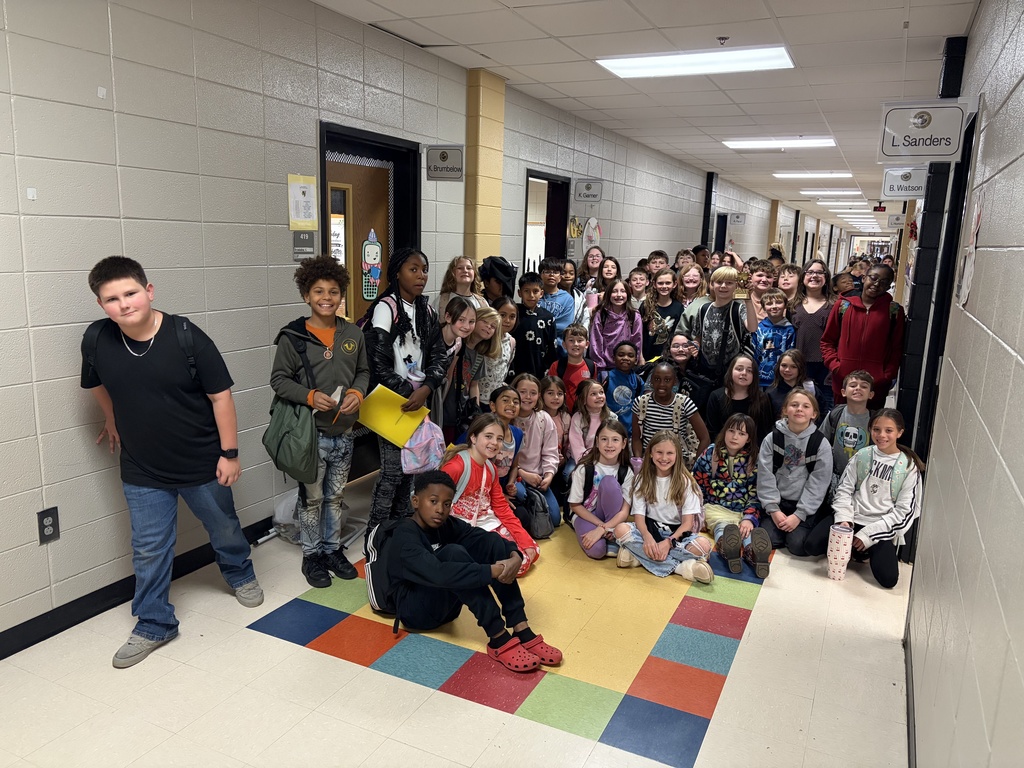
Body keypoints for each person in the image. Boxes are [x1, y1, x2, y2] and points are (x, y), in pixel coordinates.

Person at [82, 256, 263, 669]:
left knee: (224, 527)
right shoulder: (96, 339)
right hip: (142, 467)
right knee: (148, 548)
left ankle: (239, 572)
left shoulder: (187, 336)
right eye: (112, 299)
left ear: (149, 291)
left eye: (130, 293)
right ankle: (154, 622)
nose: (123, 304)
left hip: (202, 461)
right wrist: (111, 418)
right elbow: (95, 384)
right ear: (101, 305)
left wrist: (230, 454)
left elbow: (221, 398)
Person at [384, 471, 561, 672]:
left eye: (446, 503)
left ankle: (520, 627)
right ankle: (497, 636)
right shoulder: (404, 537)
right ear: (416, 501)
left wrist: (513, 555)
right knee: (453, 554)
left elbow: (480, 538)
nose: (440, 509)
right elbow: (439, 573)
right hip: (415, 613)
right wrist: (492, 571)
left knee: (490, 544)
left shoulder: (445, 524)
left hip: (445, 608)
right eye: (433, 501)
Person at [270, 256, 369, 588]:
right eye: (318, 291)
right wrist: (310, 396)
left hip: (344, 434)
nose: (326, 297)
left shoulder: (353, 334)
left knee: (336, 497)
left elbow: (364, 371)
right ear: (306, 295)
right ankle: (311, 556)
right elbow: (279, 380)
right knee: (311, 499)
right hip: (310, 437)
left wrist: (358, 390)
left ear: (342, 295)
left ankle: (331, 549)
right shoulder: (293, 338)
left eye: (333, 291)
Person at [363, 247, 450, 537]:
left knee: (411, 472)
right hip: (391, 401)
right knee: (391, 472)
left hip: (418, 399)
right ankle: (375, 535)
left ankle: (402, 529)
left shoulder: (426, 310)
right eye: (413, 269)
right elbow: (376, 358)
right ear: (397, 273)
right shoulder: (386, 307)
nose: (421, 275)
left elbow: (440, 354)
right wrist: (405, 391)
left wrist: (425, 389)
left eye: (424, 269)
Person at [805, 409, 923, 588]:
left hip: (880, 526)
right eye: (876, 429)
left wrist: (868, 535)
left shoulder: (907, 467)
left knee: (888, 579)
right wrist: (844, 520)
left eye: (889, 430)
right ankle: (853, 548)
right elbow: (844, 490)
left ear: (900, 433)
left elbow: (904, 513)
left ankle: (861, 550)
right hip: (853, 518)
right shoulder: (863, 455)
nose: (881, 435)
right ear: (870, 430)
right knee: (811, 546)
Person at [441, 414, 539, 576]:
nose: (494, 443)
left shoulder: (491, 468)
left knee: (532, 551)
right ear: (473, 437)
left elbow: (501, 507)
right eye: (488, 436)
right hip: (461, 529)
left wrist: (524, 539)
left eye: (499, 439)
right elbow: (436, 505)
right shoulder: (456, 467)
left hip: (487, 522)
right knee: (518, 563)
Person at [613, 431, 714, 583]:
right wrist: (647, 539)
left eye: (669, 453)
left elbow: (688, 524)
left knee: (703, 546)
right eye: (659, 452)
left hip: (677, 536)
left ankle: (639, 558)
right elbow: (639, 518)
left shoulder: (686, 482)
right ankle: (683, 568)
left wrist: (668, 543)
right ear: (651, 454)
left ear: (677, 455)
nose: (664, 458)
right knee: (620, 530)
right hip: (649, 530)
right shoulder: (642, 478)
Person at [693, 414, 772, 578]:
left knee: (746, 532)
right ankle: (730, 551)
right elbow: (696, 486)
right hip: (715, 508)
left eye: (741, 434)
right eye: (731, 431)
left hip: (742, 510)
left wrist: (749, 517)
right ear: (725, 432)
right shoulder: (711, 453)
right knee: (722, 527)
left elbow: (756, 494)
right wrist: (697, 513)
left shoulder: (753, 460)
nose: (735, 437)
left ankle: (755, 555)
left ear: (749, 439)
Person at [756, 388, 832, 555]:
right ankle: (780, 529)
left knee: (797, 545)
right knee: (768, 539)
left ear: (814, 414)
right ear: (785, 410)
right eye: (794, 405)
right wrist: (774, 510)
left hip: (804, 504)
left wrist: (799, 515)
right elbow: (765, 476)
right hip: (778, 502)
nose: (799, 409)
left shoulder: (820, 443)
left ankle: (795, 530)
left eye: (806, 406)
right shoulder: (772, 438)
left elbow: (819, 483)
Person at [820, 265, 905, 410]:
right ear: (864, 278)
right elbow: (827, 341)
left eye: (884, 282)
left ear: (889, 286)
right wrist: (836, 367)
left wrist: (885, 375)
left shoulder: (894, 311)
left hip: (875, 386)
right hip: (843, 382)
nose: (877, 284)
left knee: (871, 427)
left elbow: (897, 348)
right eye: (874, 278)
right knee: (840, 425)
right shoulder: (843, 306)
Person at [568, 419, 634, 559]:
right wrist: (601, 526)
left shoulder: (626, 471)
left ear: (623, 444)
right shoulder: (584, 468)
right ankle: (609, 537)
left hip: (613, 518)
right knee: (597, 551)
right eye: (604, 439)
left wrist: (604, 528)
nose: (609, 445)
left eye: (615, 440)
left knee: (609, 483)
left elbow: (624, 511)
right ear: (597, 442)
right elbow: (575, 505)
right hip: (586, 516)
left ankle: (611, 535)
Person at [632, 361, 709, 468]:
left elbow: (705, 438)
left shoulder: (684, 402)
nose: (662, 384)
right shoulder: (641, 402)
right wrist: (639, 462)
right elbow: (636, 438)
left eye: (667, 380)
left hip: (676, 463)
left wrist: (695, 466)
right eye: (657, 379)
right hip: (649, 462)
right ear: (651, 381)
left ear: (675, 382)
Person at [511, 373, 561, 530]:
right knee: (520, 494)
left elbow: (550, 453)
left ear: (538, 395)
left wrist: (548, 475)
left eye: (533, 393)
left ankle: (533, 512)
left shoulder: (543, 418)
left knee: (554, 519)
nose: (527, 397)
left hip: (537, 479)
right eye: (523, 392)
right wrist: (522, 474)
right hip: (515, 476)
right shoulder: (507, 418)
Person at [690, 266, 750, 393]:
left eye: (729, 283)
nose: (723, 286)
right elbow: (697, 337)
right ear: (711, 284)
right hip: (705, 371)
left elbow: (752, 327)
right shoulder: (703, 309)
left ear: (736, 286)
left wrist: (748, 300)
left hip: (731, 370)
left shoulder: (739, 308)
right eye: (719, 282)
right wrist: (695, 346)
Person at [790, 258, 837, 412]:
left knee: (826, 407)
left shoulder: (835, 305)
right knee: (802, 406)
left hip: (826, 365)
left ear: (826, 278)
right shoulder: (793, 304)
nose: (814, 276)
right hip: (800, 365)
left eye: (819, 272)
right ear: (803, 277)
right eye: (810, 272)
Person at [820, 370, 876, 492]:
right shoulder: (835, 415)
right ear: (843, 392)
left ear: (871, 394)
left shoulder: (875, 420)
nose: (858, 388)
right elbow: (821, 441)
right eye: (853, 385)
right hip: (834, 477)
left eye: (864, 386)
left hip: (863, 480)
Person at [438, 297, 481, 441]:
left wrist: (441, 403)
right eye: (461, 320)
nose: (466, 326)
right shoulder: (435, 337)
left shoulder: (458, 342)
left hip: (439, 393)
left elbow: (449, 375)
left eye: (471, 322)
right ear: (448, 317)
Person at [704, 353, 774, 441]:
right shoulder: (716, 396)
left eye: (749, 371)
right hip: (722, 449)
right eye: (739, 369)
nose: (744, 373)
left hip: (753, 451)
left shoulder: (762, 398)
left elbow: (765, 432)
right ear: (731, 371)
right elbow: (712, 431)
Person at [590, 279, 642, 372]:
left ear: (628, 294)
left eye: (623, 291)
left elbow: (637, 341)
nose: (619, 295)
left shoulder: (634, 315)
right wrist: (600, 367)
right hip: (605, 367)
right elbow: (595, 342)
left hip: (627, 367)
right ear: (608, 294)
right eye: (614, 291)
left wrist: (634, 362)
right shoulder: (601, 315)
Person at [511, 272, 556, 379]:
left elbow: (552, 348)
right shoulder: (513, 314)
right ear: (519, 293)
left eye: (535, 291)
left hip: (539, 369)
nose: (531, 295)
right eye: (526, 291)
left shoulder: (548, 318)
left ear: (541, 293)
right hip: (515, 368)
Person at [752, 288, 796, 389]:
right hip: (759, 380)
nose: (774, 306)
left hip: (782, 380)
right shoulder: (758, 328)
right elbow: (754, 353)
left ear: (785, 305)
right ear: (763, 307)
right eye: (769, 303)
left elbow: (792, 355)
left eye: (779, 302)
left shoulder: (790, 330)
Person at [547, 324, 595, 413]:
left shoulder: (592, 366)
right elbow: (550, 392)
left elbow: (594, 392)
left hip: (585, 415)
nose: (576, 344)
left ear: (587, 344)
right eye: (571, 340)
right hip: (561, 414)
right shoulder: (556, 366)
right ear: (564, 344)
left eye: (580, 340)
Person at [568, 379, 613, 468]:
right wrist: (587, 464)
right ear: (583, 400)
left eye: (601, 392)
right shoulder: (578, 418)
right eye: (593, 394)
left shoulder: (612, 417)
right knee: (570, 473)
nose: (599, 396)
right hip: (582, 459)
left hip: (605, 458)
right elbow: (577, 446)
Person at [641, 268, 684, 362]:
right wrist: (640, 356)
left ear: (674, 284)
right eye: (660, 283)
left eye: (668, 283)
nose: (664, 286)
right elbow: (639, 332)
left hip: (668, 357)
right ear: (654, 284)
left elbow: (677, 333)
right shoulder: (646, 305)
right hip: (646, 356)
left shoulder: (678, 307)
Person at [472, 306, 513, 405]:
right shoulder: (460, 344)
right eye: (485, 321)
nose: (489, 327)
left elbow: (474, 385)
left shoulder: (482, 352)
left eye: (493, 326)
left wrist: (475, 411)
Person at [603, 341, 643, 434]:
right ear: (613, 358)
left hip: (630, 432)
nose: (625, 358)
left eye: (630, 355)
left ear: (636, 360)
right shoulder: (605, 377)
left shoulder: (638, 381)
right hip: (608, 429)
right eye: (621, 355)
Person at [766, 349, 816, 418]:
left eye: (793, 367)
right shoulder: (770, 392)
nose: (787, 370)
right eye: (784, 365)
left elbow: (821, 414)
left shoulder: (810, 389)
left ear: (800, 368)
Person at [537, 256, 576, 344]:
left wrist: (540, 325)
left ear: (560, 277)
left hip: (559, 346)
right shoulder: (535, 295)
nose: (551, 275)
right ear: (540, 275)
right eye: (547, 271)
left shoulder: (567, 299)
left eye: (555, 272)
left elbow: (565, 326)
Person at [742, 259, 776, 331]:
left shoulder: (779, 299)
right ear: (750, 276)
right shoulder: (742, 297)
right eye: (760, 275)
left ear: (773, 279)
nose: (764, 279)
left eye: (768, 277)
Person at [559, 259, 591, 327]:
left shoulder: (579, 296)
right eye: (563, 273)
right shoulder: (553, 295)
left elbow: (585, 319)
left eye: (571, 273)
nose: (567, 276)